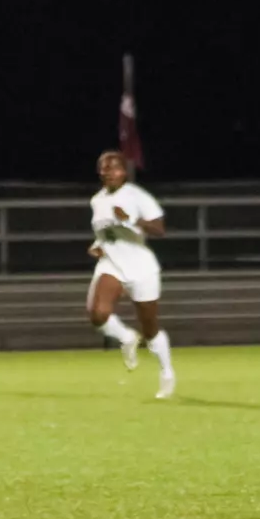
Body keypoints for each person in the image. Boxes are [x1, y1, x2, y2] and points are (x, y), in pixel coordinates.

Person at [85, 149, 175, 399]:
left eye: (113, 167)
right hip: (112, 264)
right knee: (97, 313)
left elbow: (159, 229)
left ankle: (166, 372)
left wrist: (132, 219)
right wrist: (98, 244)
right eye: (104, 168)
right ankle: (126, 338)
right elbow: (106, 231)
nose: (108, 172)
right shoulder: (97, 200)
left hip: (141, 266)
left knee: (150, 328)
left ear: (124, 171)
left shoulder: (136, 196)